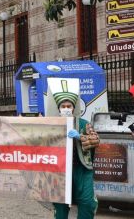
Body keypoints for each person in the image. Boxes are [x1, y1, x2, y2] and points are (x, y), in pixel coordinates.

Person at [49, 78, 100, 219]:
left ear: (73, 107)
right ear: (58, 108)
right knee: (60, 204)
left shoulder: (84, 123)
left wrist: (80, 137)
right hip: (60, 170)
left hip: (81, 169)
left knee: (88, 202)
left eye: (69, 106)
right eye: (63, 106)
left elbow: (95, 140)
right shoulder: (52, 124)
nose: (66, 108)